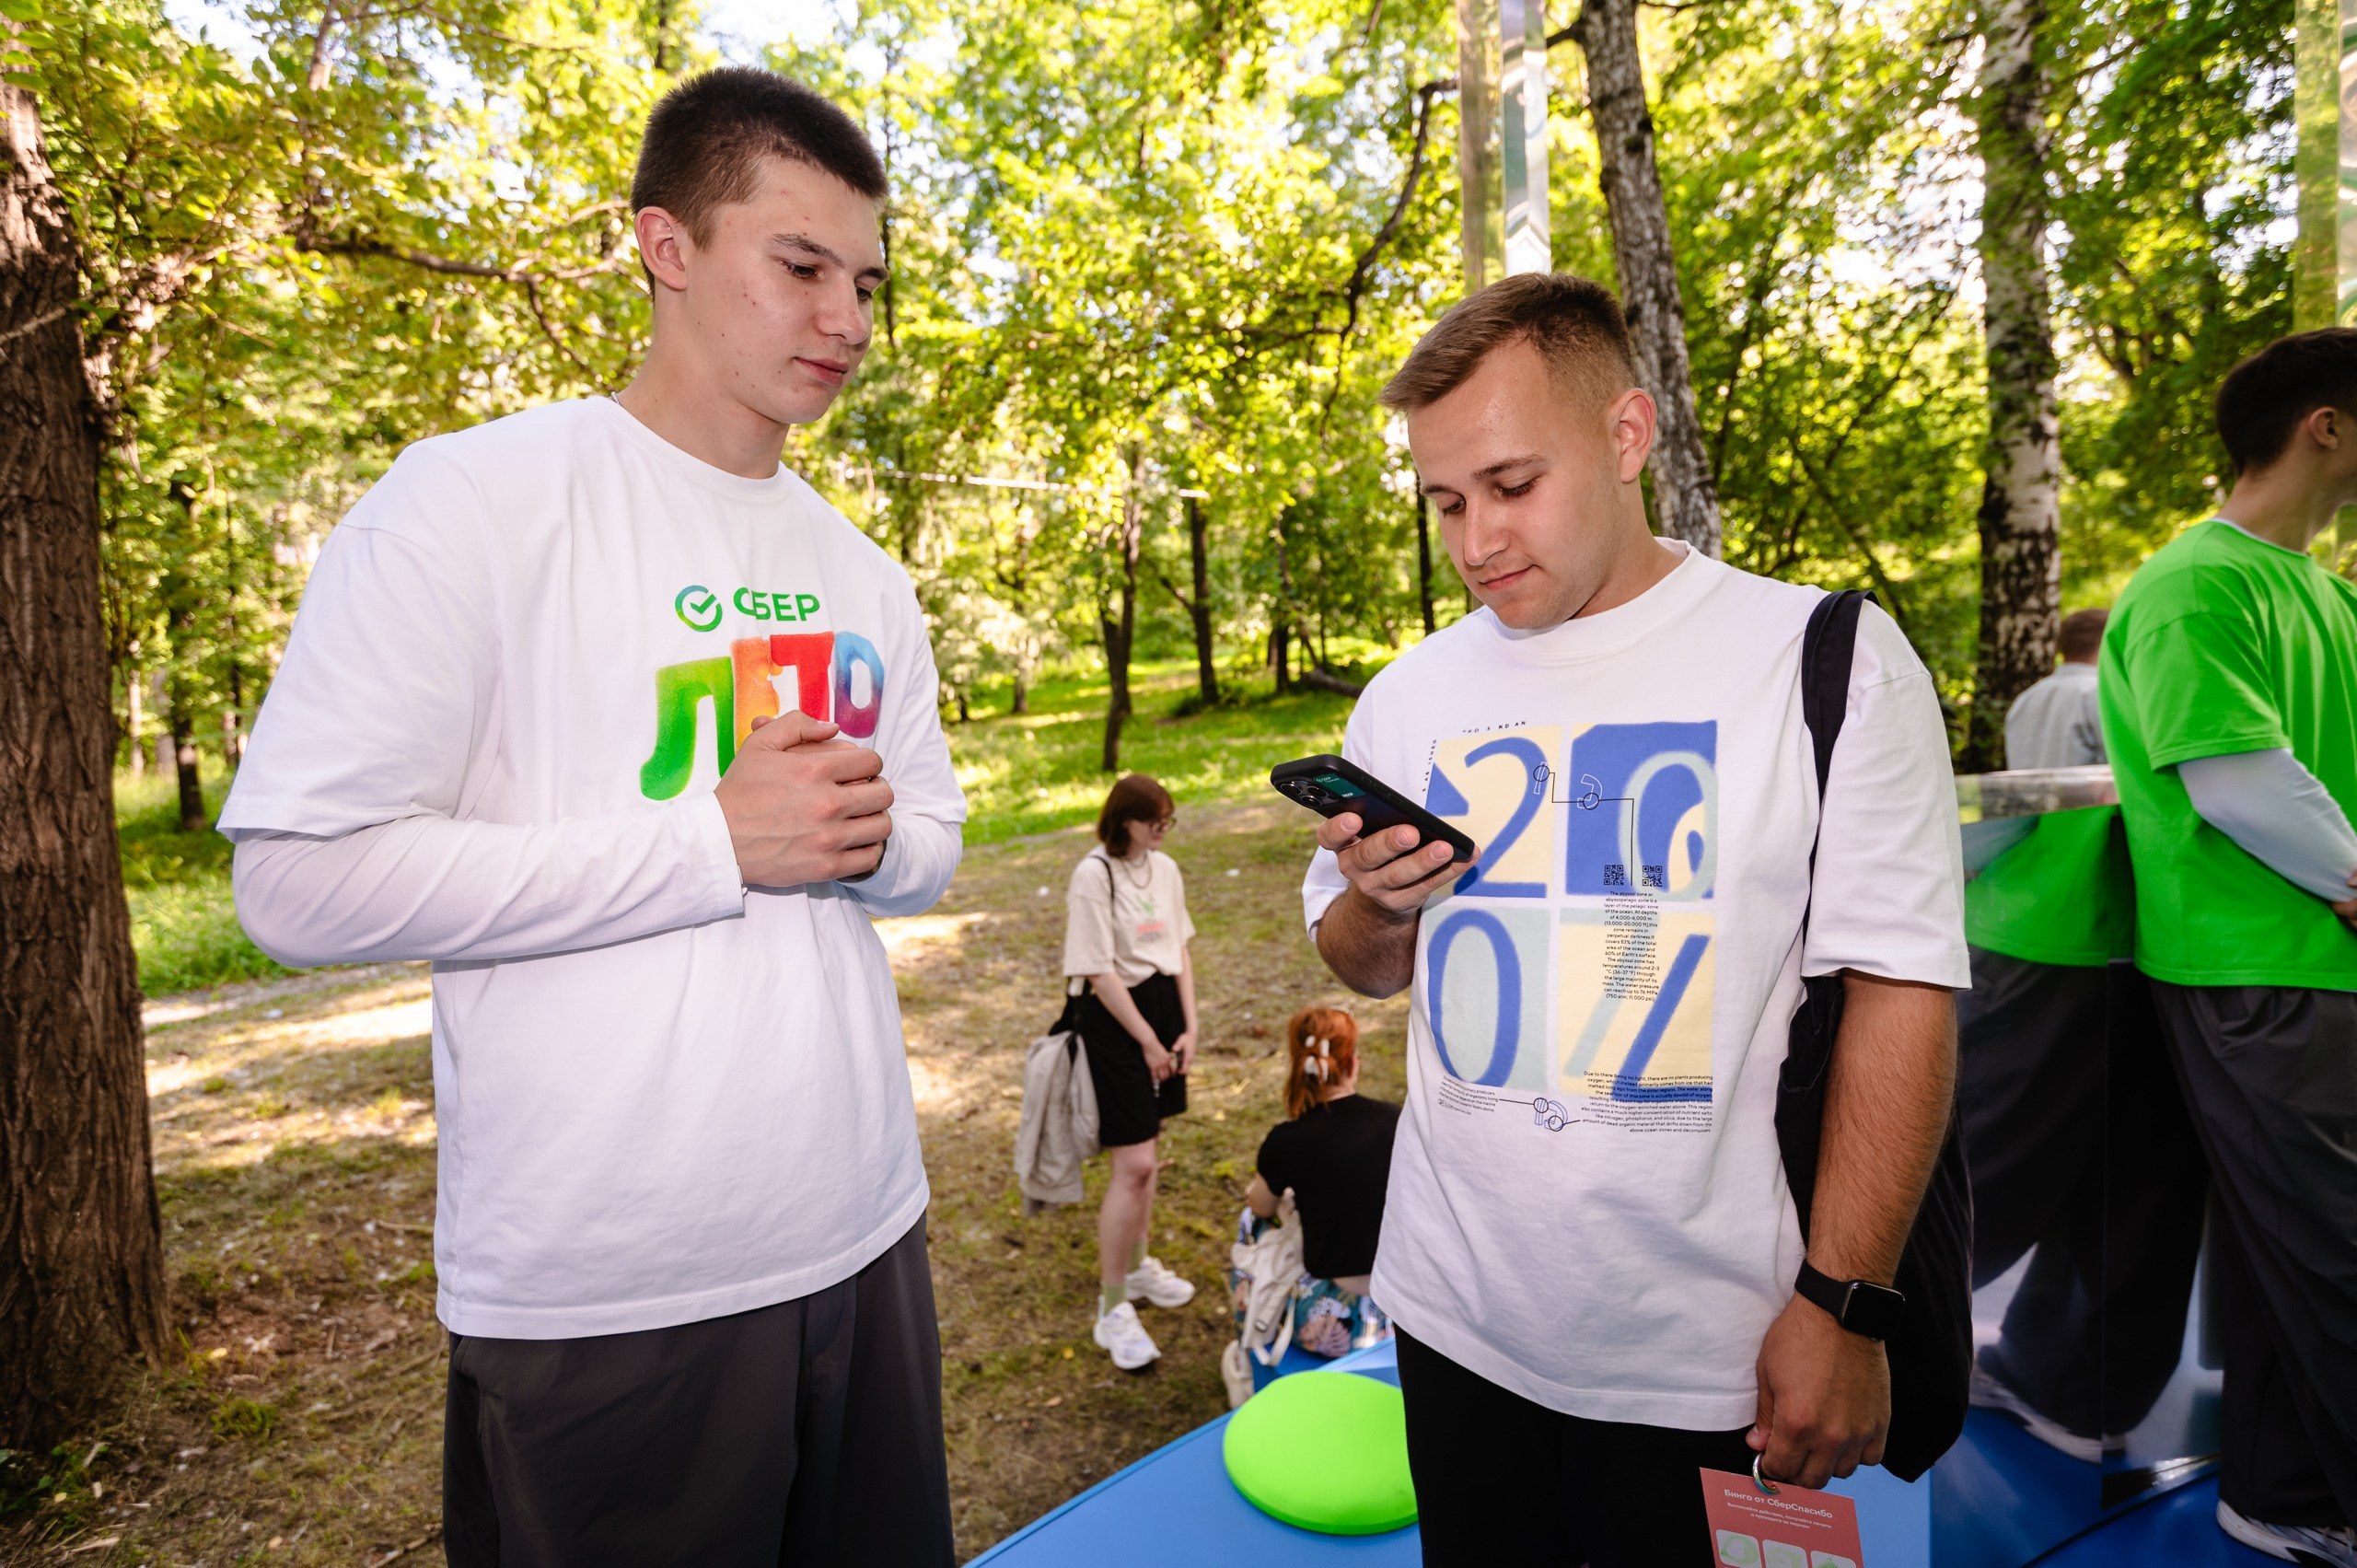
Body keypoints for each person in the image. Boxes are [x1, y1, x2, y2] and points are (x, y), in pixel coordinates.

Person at [220, 68, 964, 1566]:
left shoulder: (860, 569)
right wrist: (708, 841)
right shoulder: (474, 503)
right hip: (611, 1297)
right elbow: (295, 883)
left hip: (866, 1232)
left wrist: (871, 840)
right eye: (802, 265)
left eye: (868, 281)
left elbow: (933, 834)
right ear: (666, 246)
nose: (848, 321)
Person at [1301, 273, 1967, 1565]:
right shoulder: (1409, 693)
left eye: (1510, 483)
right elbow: (1359, 960)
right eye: (1443, 499)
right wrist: (1384, 905)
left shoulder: (1827, 660)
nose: (1475, 538)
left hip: (1717, 1361)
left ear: (1626, 436)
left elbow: (1903, 992)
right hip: (1454, 1324)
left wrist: (1844, 1306)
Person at [2100, 327, 2357, 1567]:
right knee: (2338, 1250)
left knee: (2288, 1247)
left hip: (2317, 958)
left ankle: (2286, 1488)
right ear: (2326, 423)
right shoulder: (2191, 583)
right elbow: (2234, 776)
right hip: (2257, 967)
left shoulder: (2327, 589)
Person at [1956, 604, 2206, 1460]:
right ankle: (2078, 1388)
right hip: (2168, 933)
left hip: (2061, 917)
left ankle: (1871, 1336)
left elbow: (2030, 795)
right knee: (2138, 1166)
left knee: (1982, 1146)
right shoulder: (2148, 674)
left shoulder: (2049, 696)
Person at [1062, 772, 1200, 1370]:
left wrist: (1189, 1026)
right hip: (1117, 1021)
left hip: (1163, 1009)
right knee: (1134, 1162)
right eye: (1155, 822)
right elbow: (1096, 969)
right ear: (1125, 821)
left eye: (1170, 821)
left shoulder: (1164, 869)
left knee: (1150, 1154)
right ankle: (1112, 1305)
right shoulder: (1094, 875)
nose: (1164, 831)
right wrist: (1146, 1040)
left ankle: (1140, 1267)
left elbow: (1181, 947)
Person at [1226, 1006, 1399, 1394]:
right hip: (1400, 1313)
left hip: (1324, 1323)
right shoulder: (1395, 1120)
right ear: (1353, 1062)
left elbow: (1261, 1208)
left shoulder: (1287, 1141)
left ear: (1298, 1065)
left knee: (1249, 1221)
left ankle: (1245, 1344)